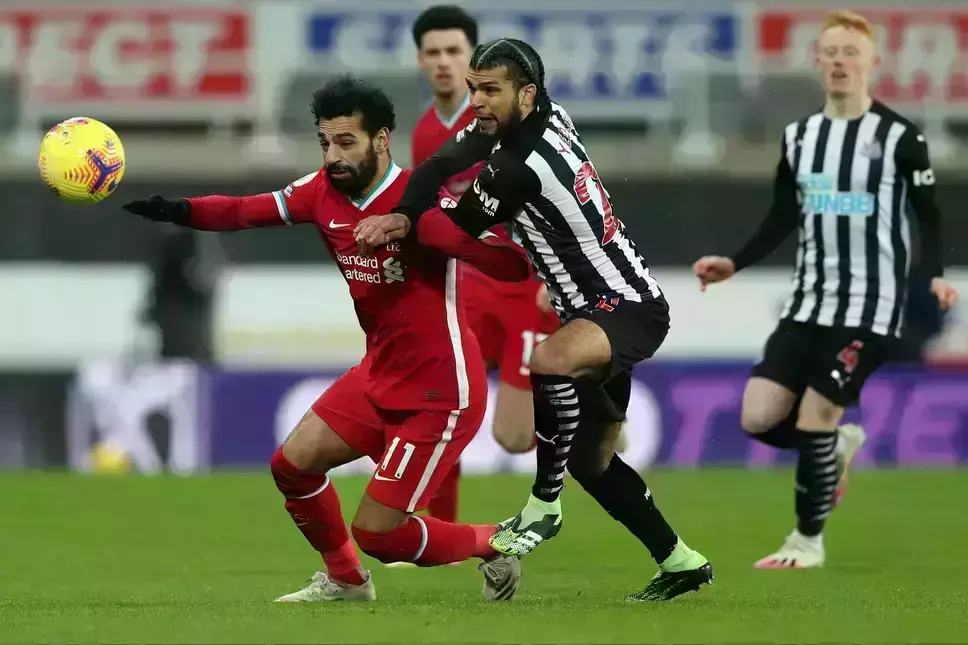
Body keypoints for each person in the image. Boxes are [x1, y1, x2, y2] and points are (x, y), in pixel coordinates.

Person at [121, 75, 531, 602]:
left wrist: (431, 231)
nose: (333, 156)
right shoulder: (321, 192)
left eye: (345, 142)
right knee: (291, 466)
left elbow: (511, 263)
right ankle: (345, 579)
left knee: (379, 534)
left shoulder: (422, 199)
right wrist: (176, 210)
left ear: (381, 139)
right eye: (325, 142)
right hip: (379, 374)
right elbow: (244, 211)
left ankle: (498, 542)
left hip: (440, 390)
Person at [355, 39, 712, 602]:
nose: (477, 100)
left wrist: (406, 221)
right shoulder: (542, 116)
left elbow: (458, 227)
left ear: (525, 94)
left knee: (549, 359)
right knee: (593, 462)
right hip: (599, 307)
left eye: (489, 90)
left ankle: (543, 505)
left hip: (624, 307)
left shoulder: (516, 167)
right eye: (473, 88)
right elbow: (440, 164)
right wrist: (405, 210)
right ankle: (680, 561)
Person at [692, 10, 959, 569]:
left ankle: (806, 541)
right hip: (808, 303)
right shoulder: (800, 137)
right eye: (830, 52)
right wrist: (734, 263)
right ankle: (833, 448)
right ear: (817, 61)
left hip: (869, 307)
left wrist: (935, 273)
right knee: (757, 417)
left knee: (817, 413)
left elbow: (928, 213)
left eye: (850, 53)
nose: (839, 62)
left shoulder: (900, 137)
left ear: (873, 62)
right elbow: (782, 215)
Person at [408, 5, 561, 531]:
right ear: (420, 60)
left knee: (513, 437)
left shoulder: (507, 118)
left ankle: (594, 401)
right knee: (439, 399)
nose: (443, 62)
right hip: (467, 290)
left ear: (472, 58)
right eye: (433, 52)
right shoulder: (425, 133)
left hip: (525, 286)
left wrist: (553, 276)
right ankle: (436, 531)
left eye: (454, 51)